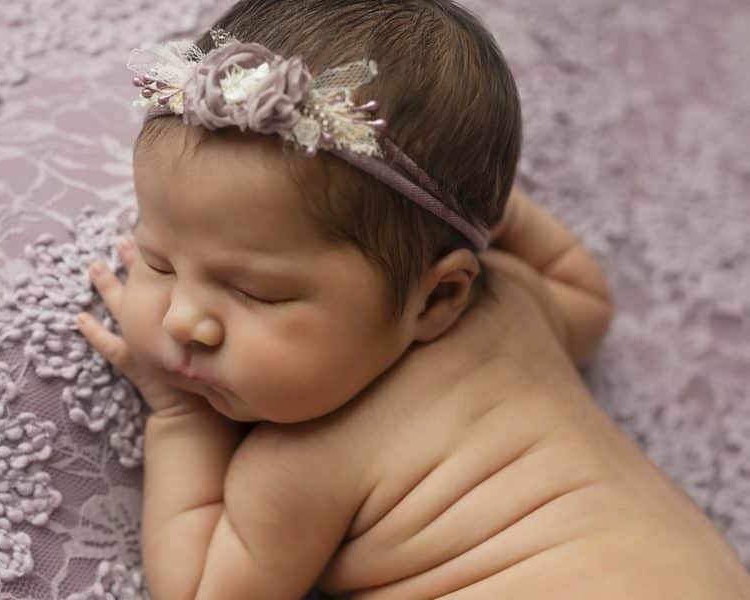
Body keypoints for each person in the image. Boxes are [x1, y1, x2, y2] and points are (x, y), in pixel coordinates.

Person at [76, 1, 750, 597]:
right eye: (158, 262)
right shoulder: (515, 301)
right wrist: (478, 212)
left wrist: (179, 417)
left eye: (258, 293)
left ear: (438, 300)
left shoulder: (303, 461)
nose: (184, 319)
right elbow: (587, 297)